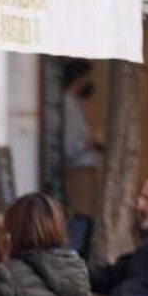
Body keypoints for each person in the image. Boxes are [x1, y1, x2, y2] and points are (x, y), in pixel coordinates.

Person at [62, 59, 102, 219]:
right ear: (79, 79)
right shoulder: (69, 105)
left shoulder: (73, 103)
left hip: (82, 174)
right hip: (78, 175)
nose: (90, 82)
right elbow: (70, 147)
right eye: (87, 78)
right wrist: (91, 141)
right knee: (81, 218)